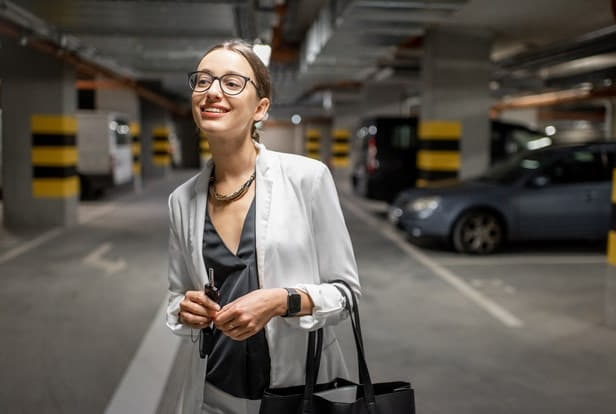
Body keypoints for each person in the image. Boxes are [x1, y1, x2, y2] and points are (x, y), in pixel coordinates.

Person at [166, 39, 361, 414]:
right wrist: (185, 309)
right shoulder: (182, 200)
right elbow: (177, 297)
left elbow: (347, 296)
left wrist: (280, 301)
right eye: (202, 81)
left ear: (260, 108)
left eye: (231, 82)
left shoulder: (307, 179)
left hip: (296, 397)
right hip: (213, 396)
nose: (212, 92)